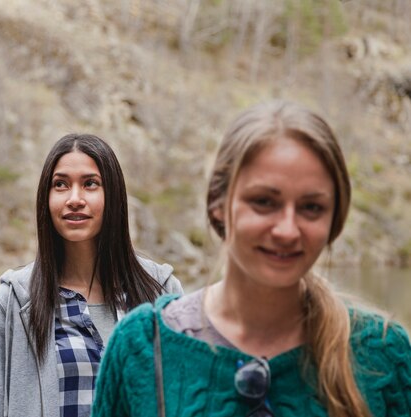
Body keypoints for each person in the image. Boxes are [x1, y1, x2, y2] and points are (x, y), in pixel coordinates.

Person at [92, 101, 411, 417]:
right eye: (264, 202)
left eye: (311, 207)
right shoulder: (141, 348)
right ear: (219, 204)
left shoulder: (383, 357)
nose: (287, 230)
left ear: (334, 219)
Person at [0, 133, 183, 417]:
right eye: (60, 184)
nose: (75, 199)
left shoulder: (162, 292)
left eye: (90, 184)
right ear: (46, 199)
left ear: (114, 196)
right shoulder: (13, 300)